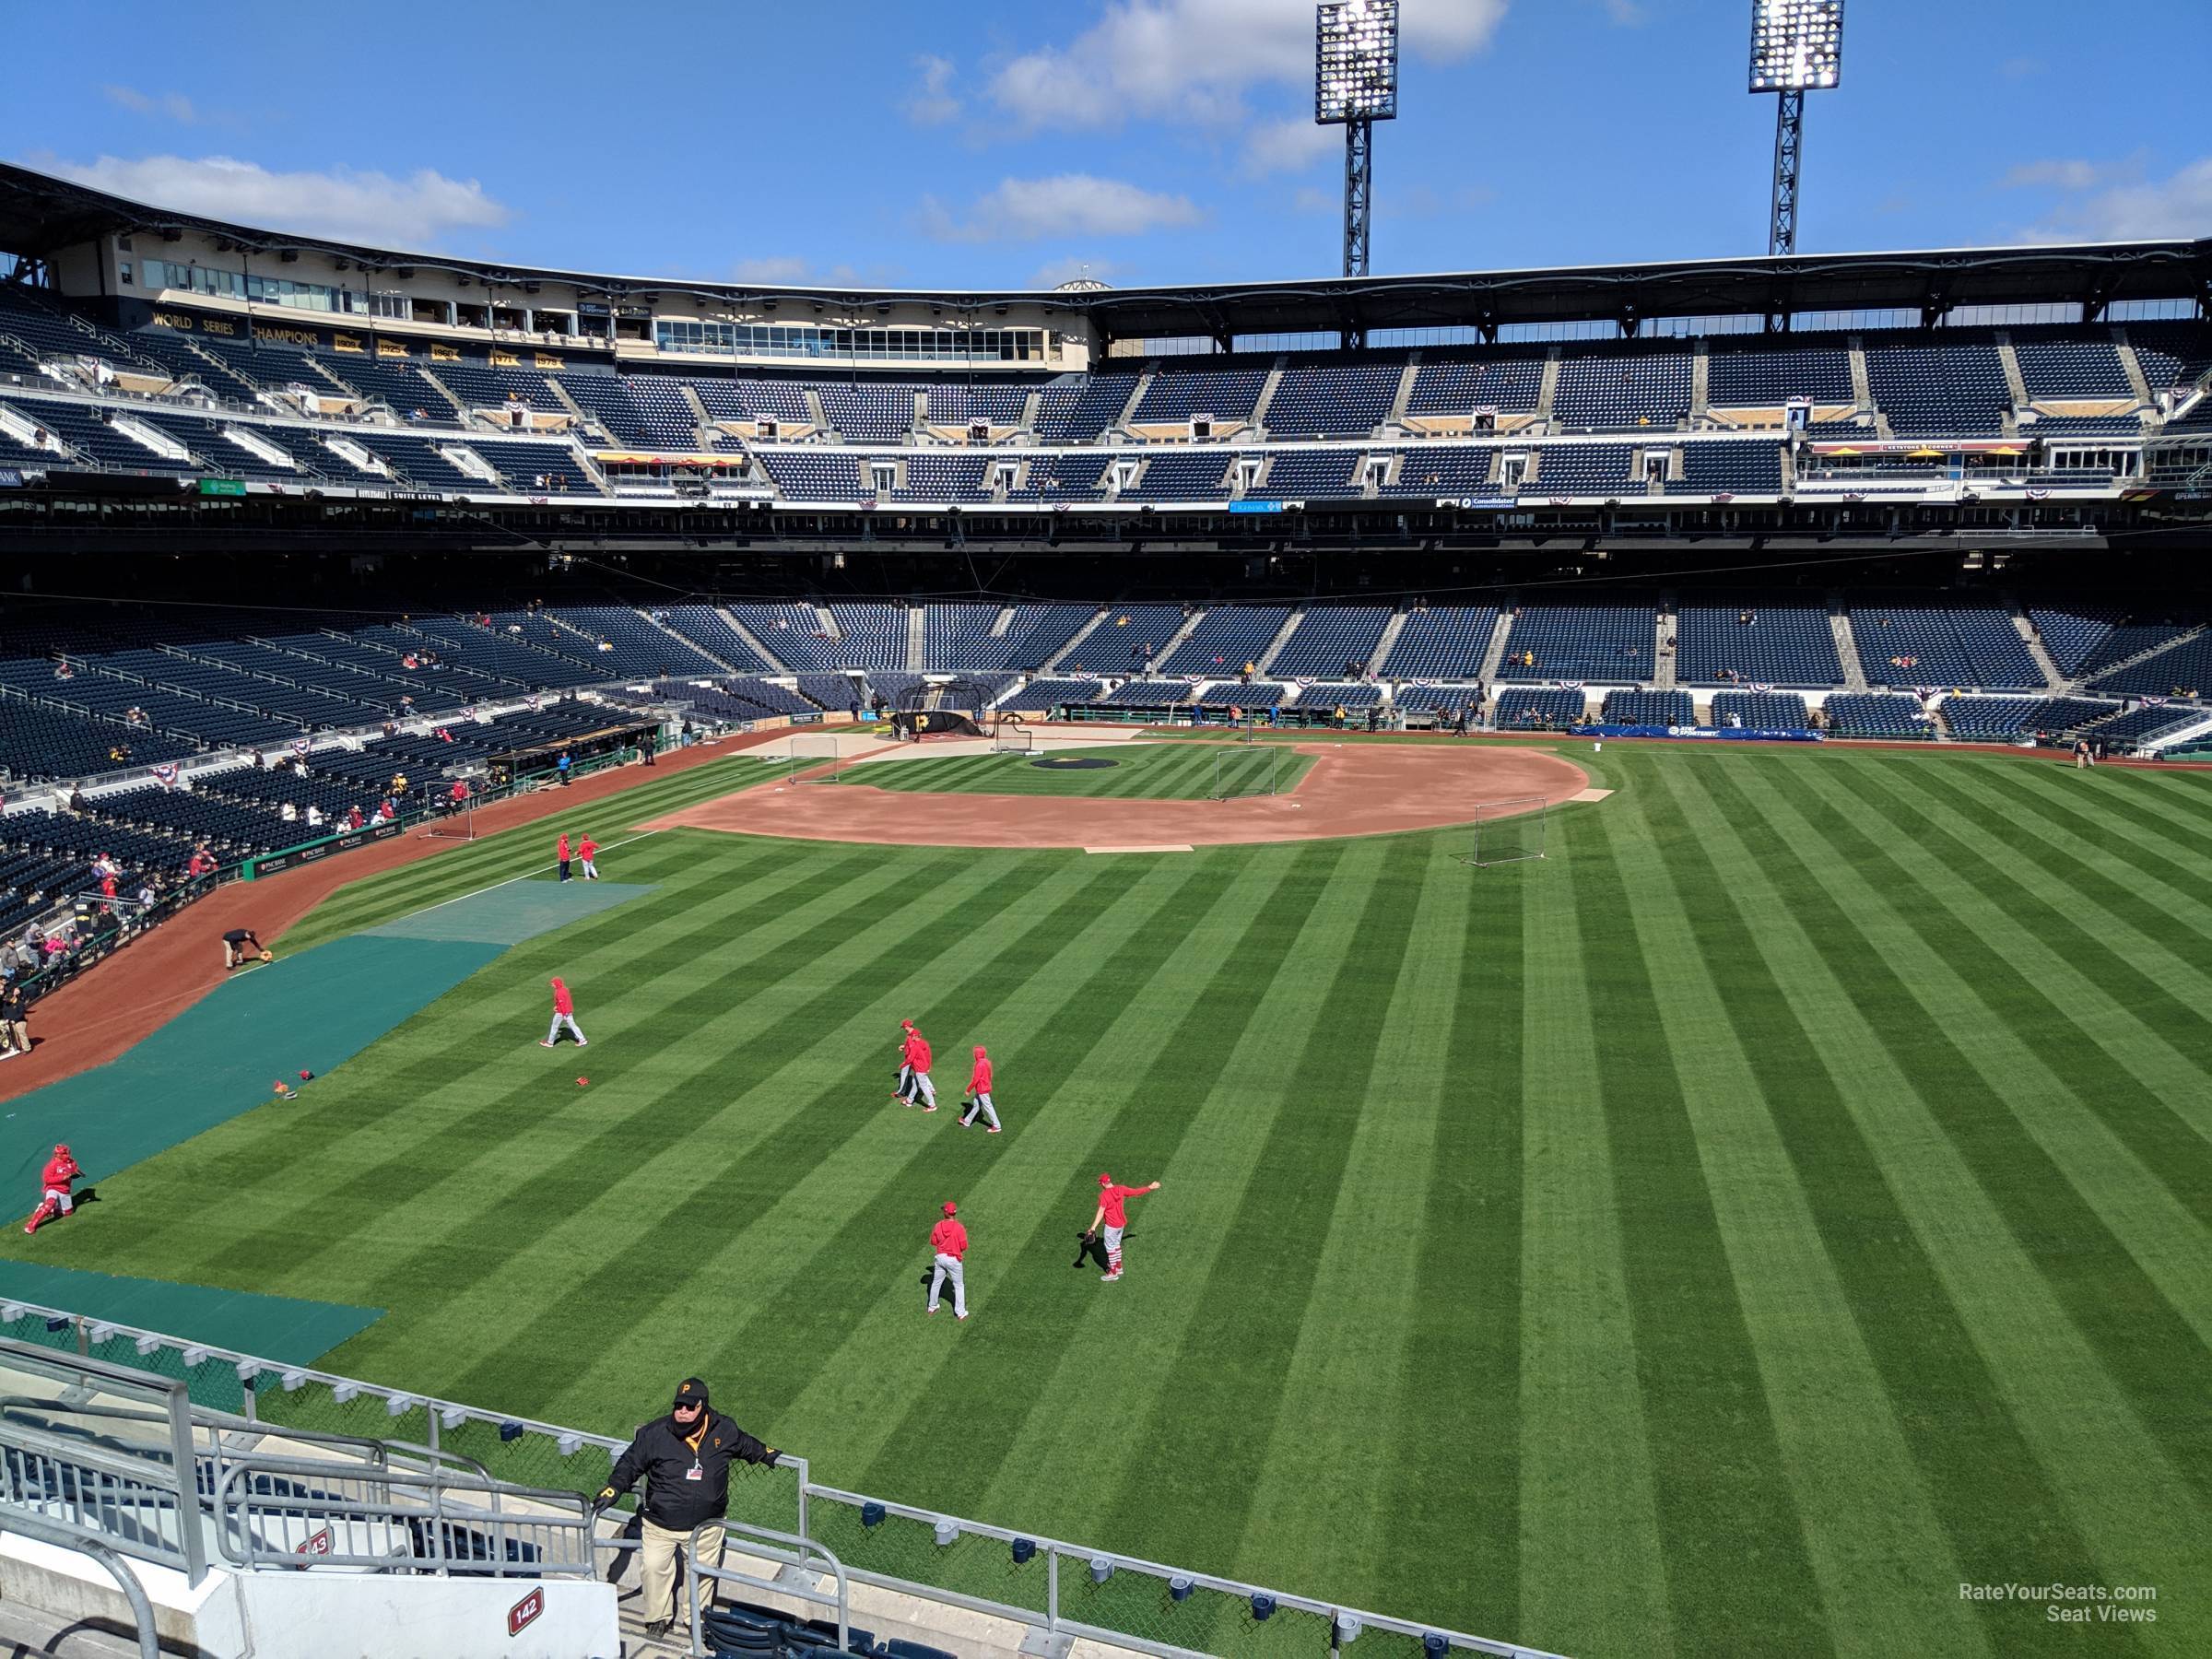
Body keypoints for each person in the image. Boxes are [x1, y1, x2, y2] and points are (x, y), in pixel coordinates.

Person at [591, 1379, 781, 1642]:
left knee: (702, 1574)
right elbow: (630, 1463)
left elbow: (745, 1444)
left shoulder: (723, 1429)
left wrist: (767, 1453)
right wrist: (613, 1488)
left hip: (706, 1527)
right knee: (654, 1569)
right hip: (660, 1524)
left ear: (703, 1406)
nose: (682, 1411)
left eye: (689, 1407)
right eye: (679, 1405)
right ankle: (657, 1618)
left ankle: (697, 1620)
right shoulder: (655, 1433)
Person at [1087, 1171, 1161, 1283]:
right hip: (1121, 1224)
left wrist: (1092, 1228)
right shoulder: (1121, 1189)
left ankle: (1113, 1273)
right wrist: (1150, 1187)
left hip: (1111, 1226)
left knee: (1110, 1248)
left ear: (1102, 1184)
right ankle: (1119, 1267)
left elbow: (1101, 1212)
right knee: (1116, 1245)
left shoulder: (1104, 1195)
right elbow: (1136, 1192)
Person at [926, 1201, 971, 1319]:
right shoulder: (959, 1227)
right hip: (954, 1260)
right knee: (959, 1285)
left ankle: (932, 1306)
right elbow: (964, 1246)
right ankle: (960, 1313)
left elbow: (933, 1242)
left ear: (946, 1213)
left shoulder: (938, 1225)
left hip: (940, 1258)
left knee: (936, 1283)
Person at [24, 1145, 81, 1234]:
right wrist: (64, 1177)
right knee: (50, 1203)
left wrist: (77, 1174)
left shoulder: (72, 1162)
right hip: (53, 1188)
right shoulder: (52, 1165)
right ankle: (31, 1225)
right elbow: (47, 1180)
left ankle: (46, 1209)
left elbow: (75, 1171)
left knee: (68, 1213)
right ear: (58, 1155)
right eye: (64, 1153)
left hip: (65, 1190)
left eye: (67, 1153)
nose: (67, 1155)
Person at [958, 1045, 1000, 1133]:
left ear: (977, 1054)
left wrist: (968, 1090)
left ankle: (997, 1126)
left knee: (988, 1106)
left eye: (975, 1053)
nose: (974, 1054)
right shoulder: (987, 1061)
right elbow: (990, 1074)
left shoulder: (979, 1065)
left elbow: (975, 1079)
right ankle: (967, 1121)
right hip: (986, 1086)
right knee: (976, 1105)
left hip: (982, 1089)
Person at [895, 1024, 936, 1112]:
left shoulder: (915, 1046)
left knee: (924, 1087)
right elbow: (927, 1055)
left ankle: (932, 1105)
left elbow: (910, 1058)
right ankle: (909, 1101)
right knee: (915, 1084)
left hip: (920, 1069)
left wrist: (903, 1064)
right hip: (922, 1068)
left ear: (915, 1036)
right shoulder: (921, 1043)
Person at [542, 977, 586, 1047]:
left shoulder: (559, 992)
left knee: (554, 1027)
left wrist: (564, 1014)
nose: (552, 985)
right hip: (568, 1011)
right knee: (573, 1026)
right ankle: (583, 1040)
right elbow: (566, 1001)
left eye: (553, 983)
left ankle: (550, 1043)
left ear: (556, 983)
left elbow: (562, 1004)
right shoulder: (565, 989)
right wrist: (557, 1006)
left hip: (561, 1013)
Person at [0, 979, 28, 1059]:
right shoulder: (5, 1001)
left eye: (1, 985)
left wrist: (18, 989)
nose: (1, 986)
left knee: (18, 1031)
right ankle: (14, 1046)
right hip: (5, 1018)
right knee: (8, 1032)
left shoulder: (9, 991)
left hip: (16, 1019)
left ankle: (25, 1048)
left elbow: (18, 989)